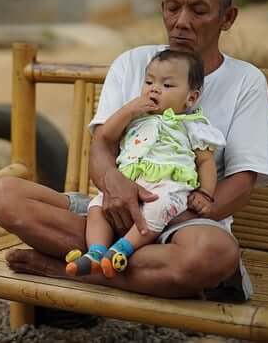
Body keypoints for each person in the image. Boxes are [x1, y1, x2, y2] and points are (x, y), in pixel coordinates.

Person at [0, 0, 268, 301]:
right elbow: (103, 145)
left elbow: (243, 181)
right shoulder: (134, 63)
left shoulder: (246, 81)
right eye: (172, 7)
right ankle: (133, 264)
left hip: (183, 222)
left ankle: (65, 269)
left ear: (227, 17)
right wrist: (116, 188)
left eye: (198, 10)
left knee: (213, 255)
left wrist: (168, 217)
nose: (181, 21)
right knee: (3, 196)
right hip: (112, 208)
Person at [65, 48, 225, 279]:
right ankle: (96, 253)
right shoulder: (136, 118)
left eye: (167, 85)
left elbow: (205, 162)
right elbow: (105, 136)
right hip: (128, 184)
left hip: (169, 187)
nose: (154, 88)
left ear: (190, 98)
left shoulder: (193, 125)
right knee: (97, 206)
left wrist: (206, 193)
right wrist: (128, 110)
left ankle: (122, 249)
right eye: (149, 81)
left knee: (159, 207)